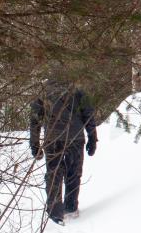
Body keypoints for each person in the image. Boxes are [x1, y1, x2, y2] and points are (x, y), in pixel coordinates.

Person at [30, 79, 97, 225]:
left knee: (54, 173)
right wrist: (92, 137)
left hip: (53, 139)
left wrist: (34, 143)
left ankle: (55, 212)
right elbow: (88, 114)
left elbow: (35, 118)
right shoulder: (78, 89)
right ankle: (71, 208)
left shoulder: (44, 91)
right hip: (75, 137)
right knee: (73, 172)